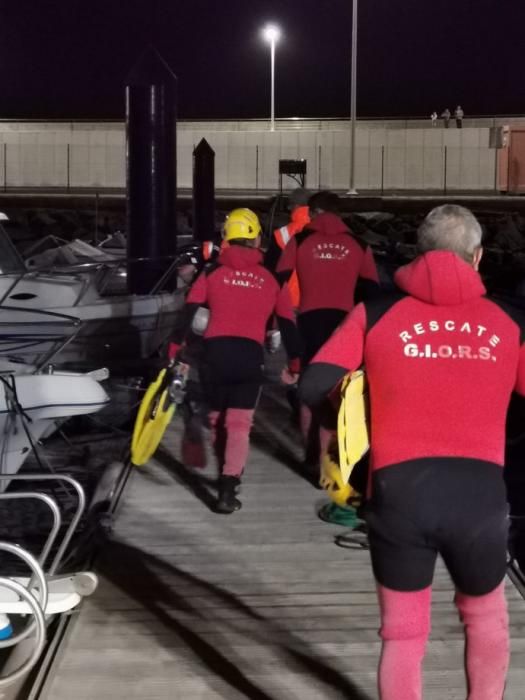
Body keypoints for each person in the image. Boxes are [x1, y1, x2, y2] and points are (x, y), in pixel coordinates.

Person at [299, 204, 524, 700]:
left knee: (403, 634)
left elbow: (313, 385)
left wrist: (357, 400)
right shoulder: (509, 323)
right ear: (478, 256)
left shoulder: (375, 313)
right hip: (480, 498)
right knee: (485, 618)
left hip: (399, 495)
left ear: (418, 255)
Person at [168, 208, 301, 514]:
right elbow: (288, 325)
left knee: (216, 418)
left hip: (214, 356)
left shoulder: (211, 272)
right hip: (249, 357)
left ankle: (222, 472)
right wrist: (295, 363)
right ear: (256, 241)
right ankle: (228, 487)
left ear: (226, 239)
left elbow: (188, 314)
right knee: (239, 423)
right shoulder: (271, 279)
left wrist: (175, 349)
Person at [277, 190, 380, 479]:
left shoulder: (300, 241)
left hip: (309, 322)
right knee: (341, 393)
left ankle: (311, 458)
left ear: (317, 213)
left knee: (310, 390)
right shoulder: (359, 245)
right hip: (345, 325)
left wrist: (278, 323)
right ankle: (336, 463)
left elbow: (278, 282)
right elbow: (372, 291)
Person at [265, 187, 311, 308]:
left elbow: (270, 269)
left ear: (293, 207)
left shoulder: (282, 234)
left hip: (289, 301)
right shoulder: (322, 232)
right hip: (317, 302)